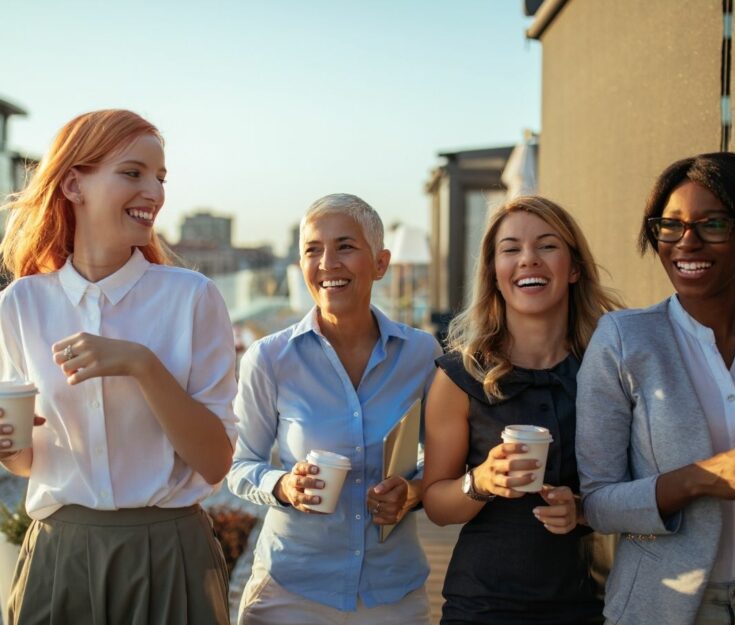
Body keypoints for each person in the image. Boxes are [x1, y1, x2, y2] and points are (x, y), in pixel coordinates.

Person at [0, 109, 237, 625]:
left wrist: (140, 364)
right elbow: (25, 462)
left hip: (172, 554)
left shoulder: (193, 298)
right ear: (73, 185)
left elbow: (217, 461)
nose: (154, 191)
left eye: (160, 177)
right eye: (133, 173)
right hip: (59, 555)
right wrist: (7, 445)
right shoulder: (20, 305)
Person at [576, 152, 735, 625]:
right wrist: (706, 477)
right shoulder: (624, 339)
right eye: (669, 226)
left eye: (712, 225)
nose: (685, 243)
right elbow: (598, 504)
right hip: (664, 604)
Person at [227, 193, 442, 625]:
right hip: (290, 591)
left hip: (392, 594)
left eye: (345, 246)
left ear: (380, 264)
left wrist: (412, 493)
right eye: (312, 250)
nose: (327, 262)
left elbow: (439, 462)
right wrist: (283, 485)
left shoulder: (422, 354)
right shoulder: (268, 358)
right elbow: (239, 466)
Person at [422, 195, 621, 625]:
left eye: (547, 246)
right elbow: (436, 504)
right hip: (482, 606)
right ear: (494, 273)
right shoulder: (459, 376)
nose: (528, 259)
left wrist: (583, 508)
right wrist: (481, 480)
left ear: (574, 268)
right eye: (510, 249)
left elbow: (635, 484)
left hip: (592, 603)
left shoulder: (608, 368)